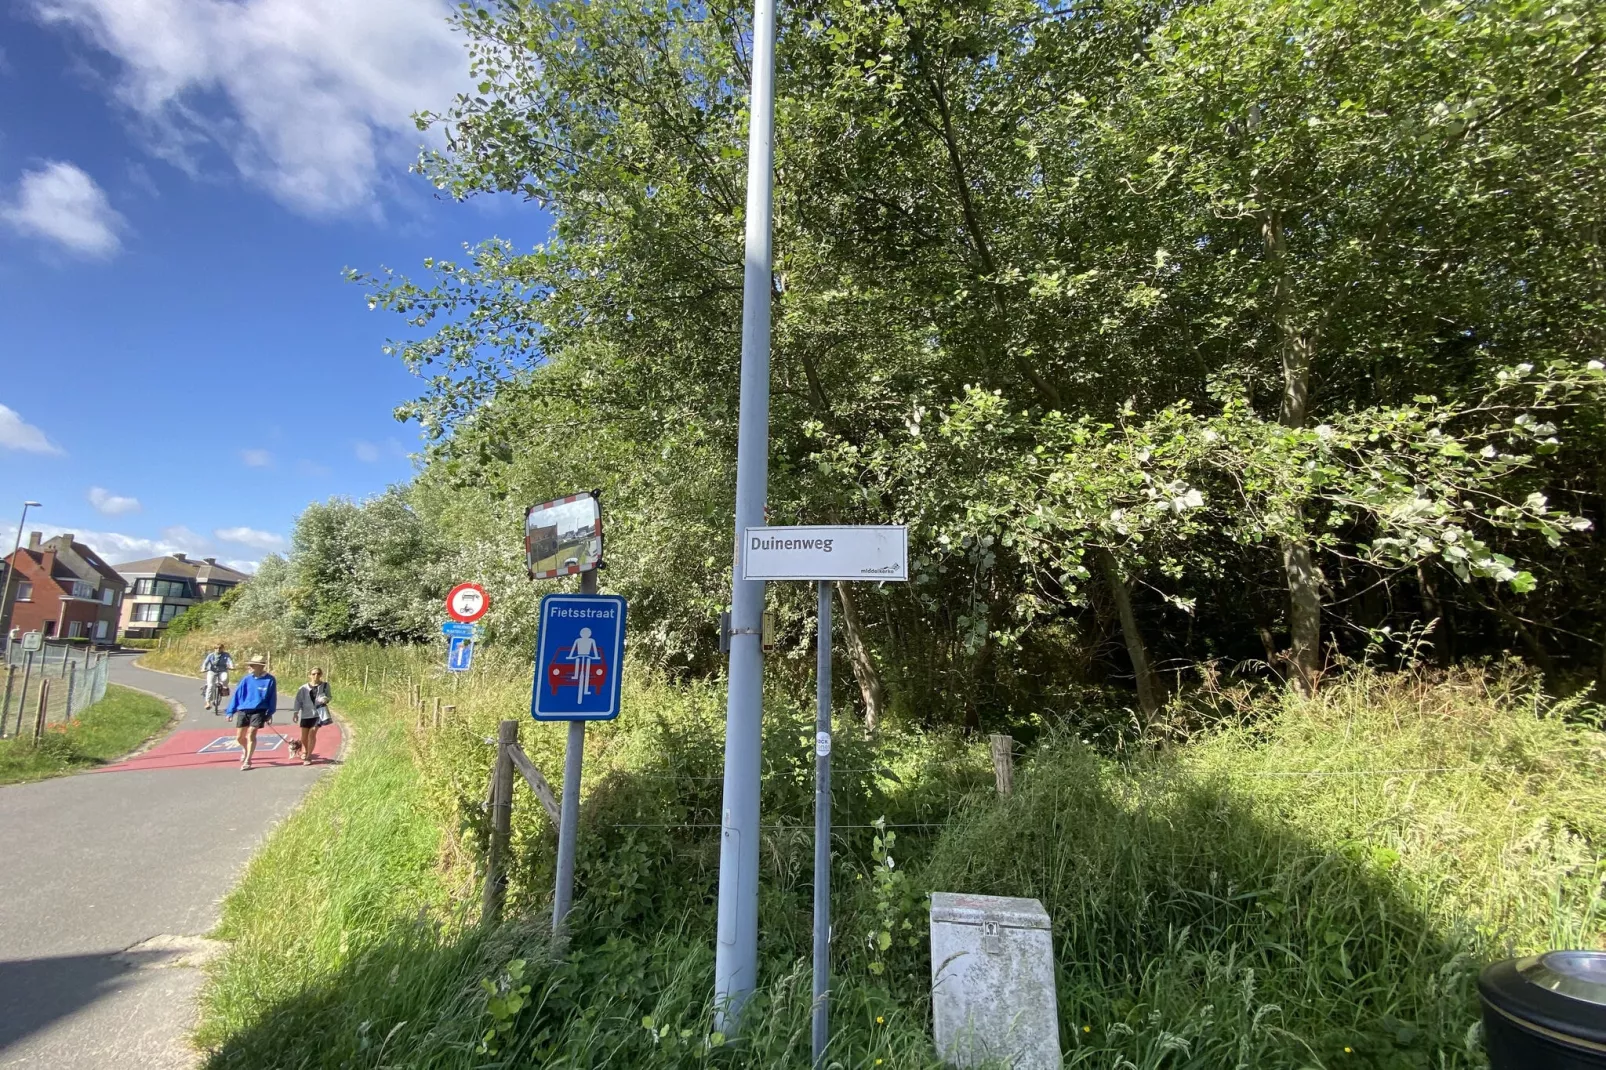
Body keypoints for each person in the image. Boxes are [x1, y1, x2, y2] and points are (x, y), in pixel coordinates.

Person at [225, 654, 277, 771]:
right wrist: (230, 711)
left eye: (254, 665)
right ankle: (245, 748)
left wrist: (270, 713)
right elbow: (237, 696)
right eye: (251, 665)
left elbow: (272, 698)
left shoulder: (270, 680)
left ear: (261, 666)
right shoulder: (246, 679)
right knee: (239, 737)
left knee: (252, 733)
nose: (251, 667)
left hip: (259, 710)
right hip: (244, 709)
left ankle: (248, 760)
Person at [291, 667, 331, 766]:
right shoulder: (303, 688)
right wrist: (296, 712)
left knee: (312, 734)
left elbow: (329, 696)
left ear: (321, 675)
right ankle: (304, 751)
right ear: (309, 675)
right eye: (313, 674)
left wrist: (326, 699)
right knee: (304, 737)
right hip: (306, 714)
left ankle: (308, 756)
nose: (315, 676)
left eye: (318, 673)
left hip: (318, 714)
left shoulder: (325, 686)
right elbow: (298, 700)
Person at [200, 644, 234, 713]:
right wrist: (203, 669)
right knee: (211, 686)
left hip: (222, 670)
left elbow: (229, 661)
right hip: (212, 671)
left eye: (220, 648)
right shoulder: (211, 655)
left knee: (224, 679)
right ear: (214, 649)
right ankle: (208, 703)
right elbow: (205, 662)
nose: (218, 649)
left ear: (223, 648)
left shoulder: (226, 655)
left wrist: (231, 666)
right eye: (216, 648)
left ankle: (224, 688)